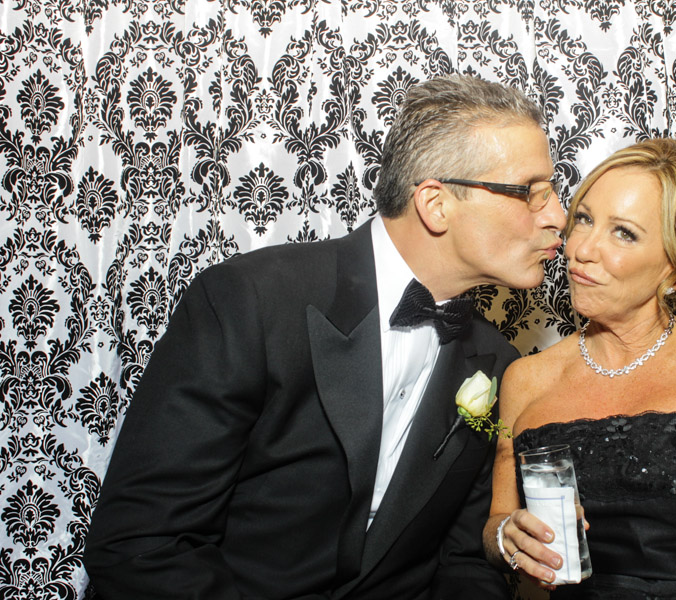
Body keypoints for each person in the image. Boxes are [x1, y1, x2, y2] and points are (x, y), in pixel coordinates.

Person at [83, 74, 567, 600]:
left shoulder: (496, 361)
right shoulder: (252, 302)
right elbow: (141, 546)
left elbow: (465, 563)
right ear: (436, 204)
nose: (558, 218)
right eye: (530, 193)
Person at [483, 138, 676, 599]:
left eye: (624, 233)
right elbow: (498, 523)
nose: (582, 249)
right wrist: (506, 537)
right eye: (584, 219)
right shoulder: (525, 379)